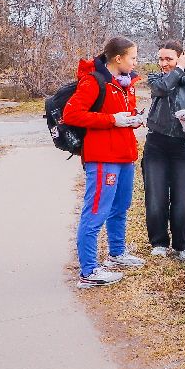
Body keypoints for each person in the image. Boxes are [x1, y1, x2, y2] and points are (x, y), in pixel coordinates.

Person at [63, 36, 147, 288]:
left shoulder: (125, 83)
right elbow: (72, 114)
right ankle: (89, 271)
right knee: (96, 211)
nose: (135, 62)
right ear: (118, 58)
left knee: (120, 207)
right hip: (102, 158)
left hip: (124, 155)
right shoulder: (94, 81)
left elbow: (123, 113)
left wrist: (133, 119)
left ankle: (116, 253)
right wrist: (112, 120)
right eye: (132, 57)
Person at [143, 40, 185, 260]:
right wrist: (178, 69)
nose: (163, 63)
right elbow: (162, 89)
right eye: (161, 58)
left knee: (183, 198)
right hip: (156, 145)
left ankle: (182, 244)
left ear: (180, 57)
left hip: (183, 147)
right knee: (156, 196)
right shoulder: (156, 80)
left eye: (169, 59)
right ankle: (159, 242)